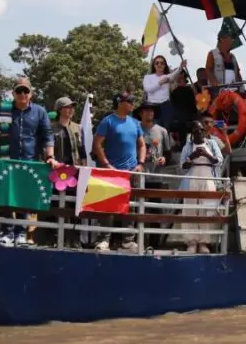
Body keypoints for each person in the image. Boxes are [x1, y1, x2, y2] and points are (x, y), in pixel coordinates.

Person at [0, 77, 59, 246]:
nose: (22, 94)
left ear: (31, 93)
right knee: (7, 196)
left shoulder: (40, 111)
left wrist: (50, 156)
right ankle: (6, 233)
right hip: (6, 161)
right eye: (19, 91)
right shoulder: (4, 109)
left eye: (26, 91)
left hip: (29, 163)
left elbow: (47, 135)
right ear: (13, 93)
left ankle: (21, 232)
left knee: (24, 198)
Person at [92, 91, 146, 252]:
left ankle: (128, 241)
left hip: (131, 172)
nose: (132, 103)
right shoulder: (108, 121)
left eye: (132, 101)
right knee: (108, 206)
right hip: (111, 171)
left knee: (130, 206)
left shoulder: (136, 123)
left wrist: (141, 163)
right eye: (129, 101)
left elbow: (142, 145)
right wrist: (106, 164)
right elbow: (97, 144)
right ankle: (103, 240)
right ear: (120, 102)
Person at [179, 121, 224, 253]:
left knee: (207, 209)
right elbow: (182, 166)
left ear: (204, 132)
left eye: (200, 131)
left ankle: (203, 242)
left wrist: (206, 154)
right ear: (192, 134)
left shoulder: (212, 143)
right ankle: (191, 242)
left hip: (208, 177)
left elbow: (219, 161)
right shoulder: (188, 146)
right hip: (192, 178)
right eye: (195, 131)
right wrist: (192, 156)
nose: (198, 133)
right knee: (190, 209)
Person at [143, 55, 187, 129]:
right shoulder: (147, 77)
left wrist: (181, 67)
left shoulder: (167, 77)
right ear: (154, 65)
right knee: (154, 130)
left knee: (166, 130)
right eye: (157, 63)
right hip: (152, 106)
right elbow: (148, 89)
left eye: (162, 63)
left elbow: (174, 74)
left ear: (164, 65)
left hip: (165, 106)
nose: (159, 64)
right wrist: (160, 83)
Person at [51, 97, 85, 167]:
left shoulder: (78, 127)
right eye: (67, 107)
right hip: (57, 167)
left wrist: (84, 162)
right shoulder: (51, 128)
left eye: (72, 107)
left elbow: (81, 148)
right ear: (59, 110)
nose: (71, 110)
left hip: (76, 167)